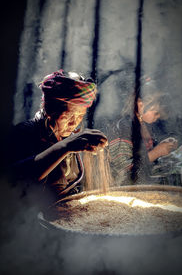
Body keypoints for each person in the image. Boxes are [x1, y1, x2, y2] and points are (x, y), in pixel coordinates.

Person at [9, 70, 108, 210]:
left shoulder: (71, 137)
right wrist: (66, 146)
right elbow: (14, 178)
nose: (74, 123)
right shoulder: (25, 133)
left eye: (80, 116)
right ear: (50, 110)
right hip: (33, 219)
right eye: (68, 115)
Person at [108, 81, 178, 185]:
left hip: (144, 181)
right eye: (156, 113)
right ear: (140, 105)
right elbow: (124, 169)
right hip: (125, 188)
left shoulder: (144, 124)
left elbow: (144, 154)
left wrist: (162, 146)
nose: (157, 117)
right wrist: (156, 152)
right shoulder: (124, 128)